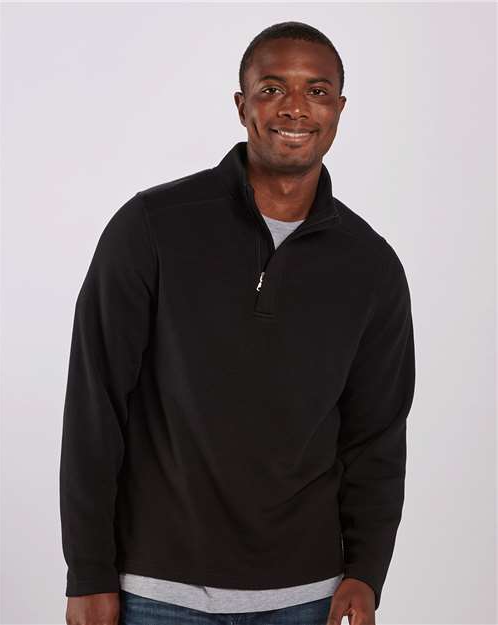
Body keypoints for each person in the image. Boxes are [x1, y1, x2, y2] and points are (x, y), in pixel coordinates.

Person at [60, 20, 416, 625]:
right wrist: (88, 571)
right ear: (242, 104)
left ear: (339, 109)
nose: (295, 108)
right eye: (272, 89)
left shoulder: (372, 266)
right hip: (155, 592)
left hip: (307, 595)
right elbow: (96, 406)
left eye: (317, 91)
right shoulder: (152, 227)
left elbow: (376, 436)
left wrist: (366, 571)